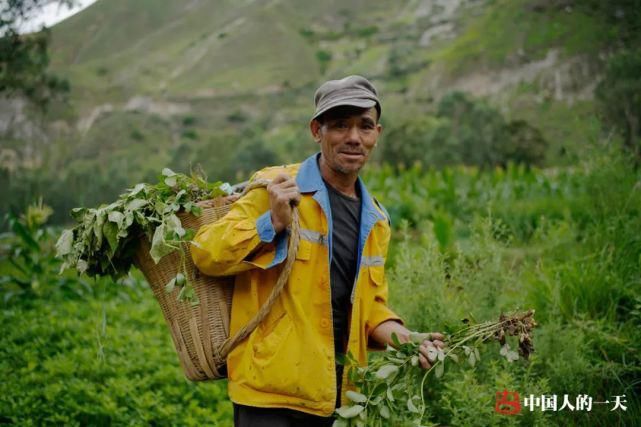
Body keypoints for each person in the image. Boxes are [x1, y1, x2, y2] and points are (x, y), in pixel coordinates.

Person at [191, 75, 444, 426]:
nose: (354, 137)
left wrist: (409, 340)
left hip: (338, 397)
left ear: (377, 134)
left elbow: (370, 309)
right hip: (271, 395)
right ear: (316, 130)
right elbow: (205, 253)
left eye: (364, 126)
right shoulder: (276, 185)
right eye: (340, 125)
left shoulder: (377, 220)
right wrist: (272, 222)